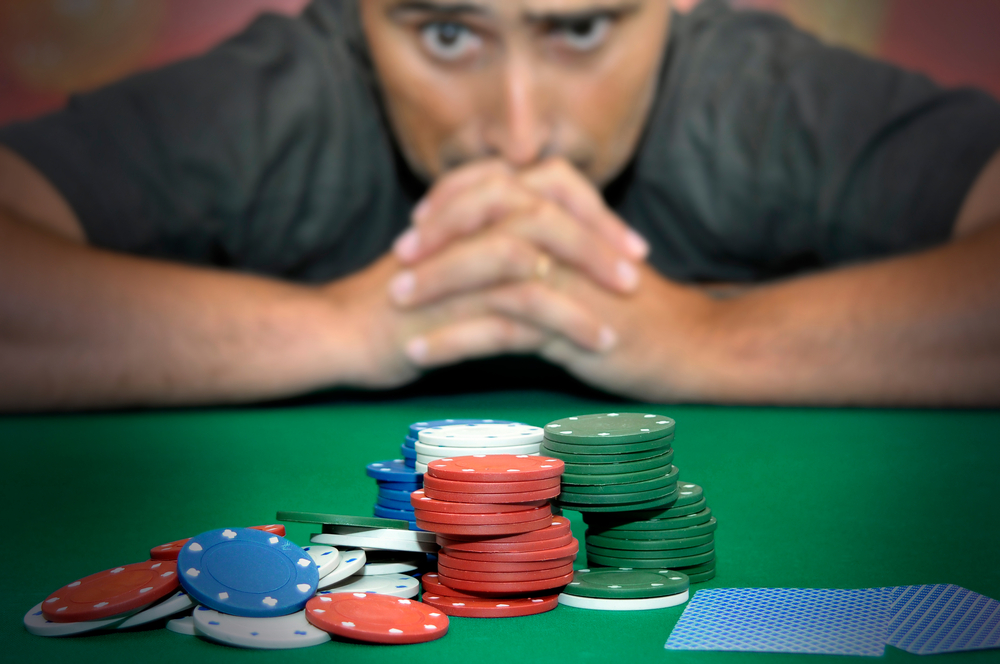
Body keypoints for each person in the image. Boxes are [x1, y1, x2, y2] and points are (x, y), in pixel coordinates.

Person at [1, 0, 999, 411]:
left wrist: (705, 339)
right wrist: (343, 326)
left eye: (579, 28)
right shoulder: (280, 95)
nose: (519, 135)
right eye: (445, 34)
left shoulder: (760, 95)